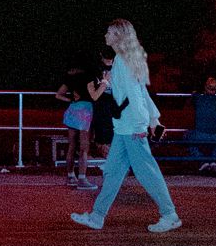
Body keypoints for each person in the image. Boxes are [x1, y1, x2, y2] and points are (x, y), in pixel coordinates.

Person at [71, 19, 181, 233]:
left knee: (147, 172)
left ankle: (170, 215)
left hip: (131, 128)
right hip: (124, 127)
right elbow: (141, 92)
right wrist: (153, 120)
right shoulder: (125, 61)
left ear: (118, 36)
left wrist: (144, 124)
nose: (105, 35)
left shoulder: (123, 61)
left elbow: (135, 95)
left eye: (109, 32)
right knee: (113, 172)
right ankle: (97, 216)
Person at [56, 62, 97, 190]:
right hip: (85, 110)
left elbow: (58, 95)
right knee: (84, 147)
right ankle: (82, 179)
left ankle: (70, 176)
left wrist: (70, 100)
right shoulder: (90, 77)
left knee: (72, 145)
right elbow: (94, 96)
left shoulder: (70, 79)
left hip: (72, 110)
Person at [191, 76, 216, 171]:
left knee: (187, 137)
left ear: (206, 88)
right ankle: (214, 160)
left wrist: (196, 93)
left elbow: (194, 98)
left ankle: (203, 161)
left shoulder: (199, 99)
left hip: (202, 134)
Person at [88, 45, 116, 168]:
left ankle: (111, 161)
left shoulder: (118, 68)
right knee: (101, 135)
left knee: (111, 134)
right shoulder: (96, 70)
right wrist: (104, 83)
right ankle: (104, 154)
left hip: (115, 105)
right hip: (101, 104)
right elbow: (94, 95)